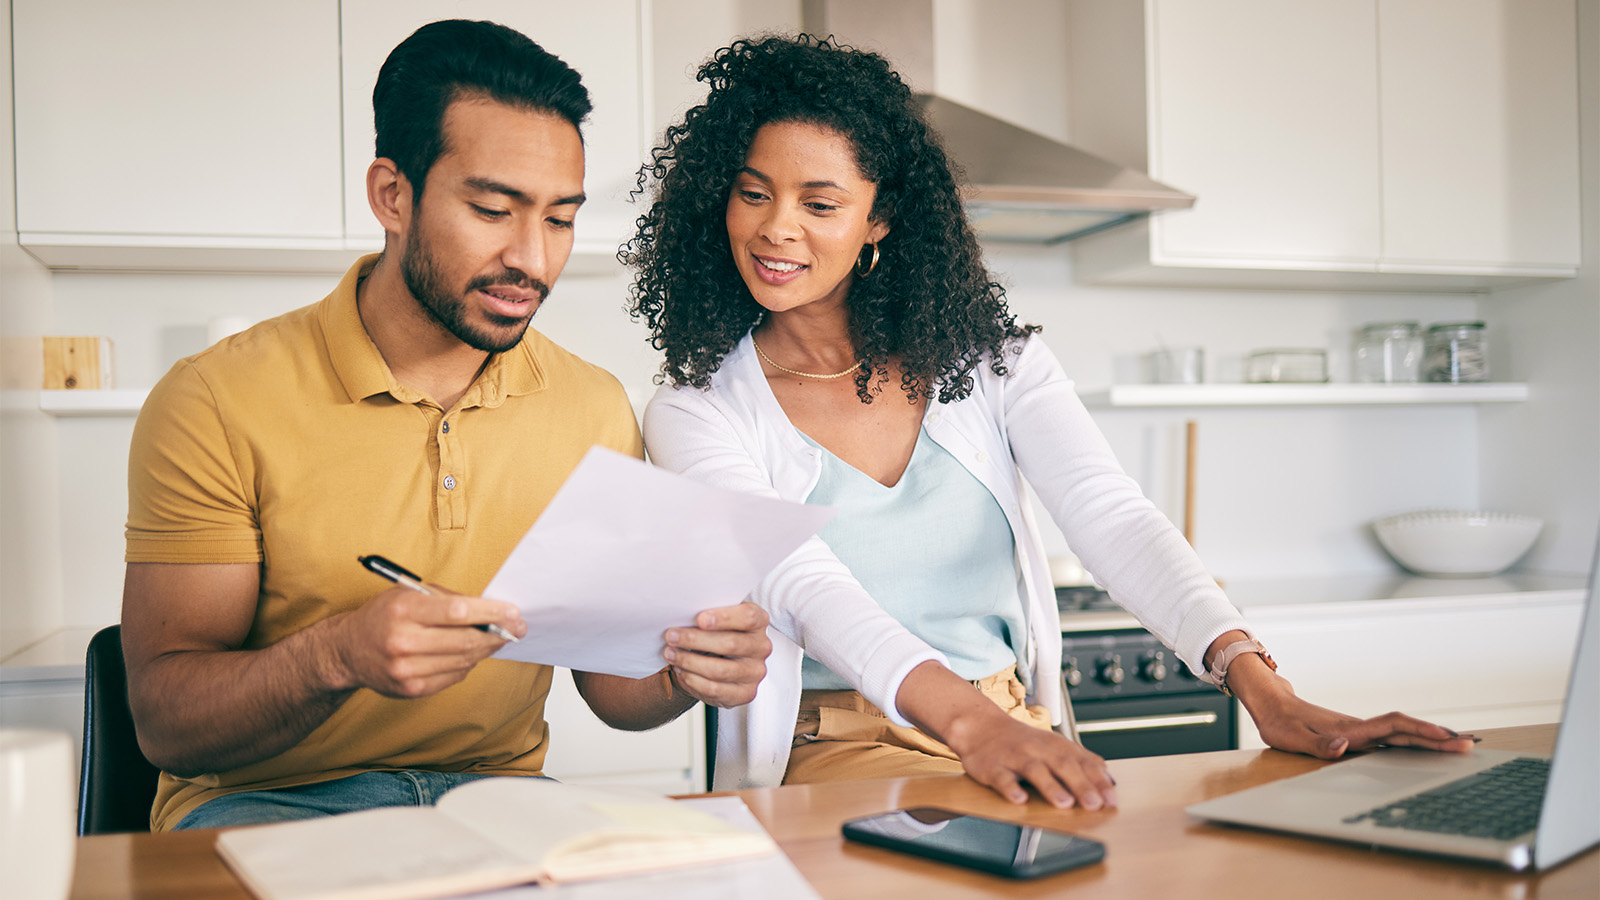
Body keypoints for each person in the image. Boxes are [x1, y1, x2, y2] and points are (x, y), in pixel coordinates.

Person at [623, 34, 1473, 810]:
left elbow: (1114, 518)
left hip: (1011, 723)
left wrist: (1266, 694)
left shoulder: (994, 364)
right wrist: (969, 727)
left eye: (820, 203)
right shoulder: (697, 409)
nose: (777, 228)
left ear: (877, 221)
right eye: (754, 194)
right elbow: (803, 588)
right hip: (840, 750)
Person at [121, 19, 771, 832]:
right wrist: (336, 656)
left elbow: (613, 693)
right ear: (393, 195)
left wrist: (691, 669)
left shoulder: (593, 407)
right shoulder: (215, 399)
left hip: (501, 806)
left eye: (560, 219)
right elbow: (165, 723)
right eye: (494, 209)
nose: (533, 259)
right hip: (264, 807)